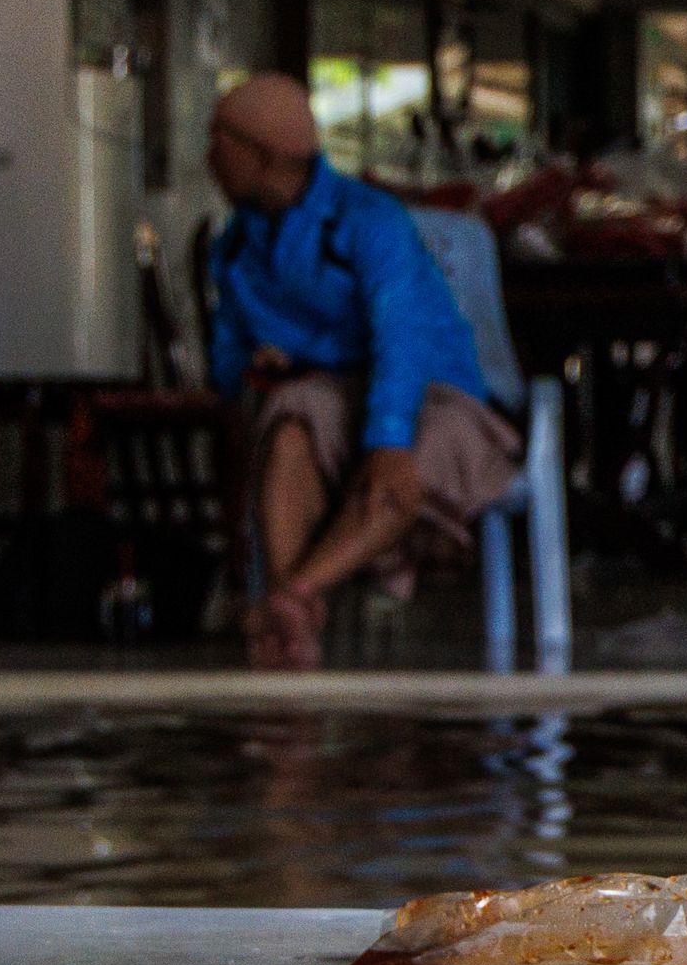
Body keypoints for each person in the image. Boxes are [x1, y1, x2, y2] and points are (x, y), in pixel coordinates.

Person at [202, 73, 524, 668]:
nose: (208, 158)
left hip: (431, 391)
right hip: (329, 392)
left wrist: (387, 439)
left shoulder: (370, 221)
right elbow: (231, 360)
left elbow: (399, 336)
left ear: (263, 155)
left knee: (410, 459)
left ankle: (292, 598)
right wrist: (249, 372)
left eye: (220, 142)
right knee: (293, 418)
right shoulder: (236, 247)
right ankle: (294, 607)